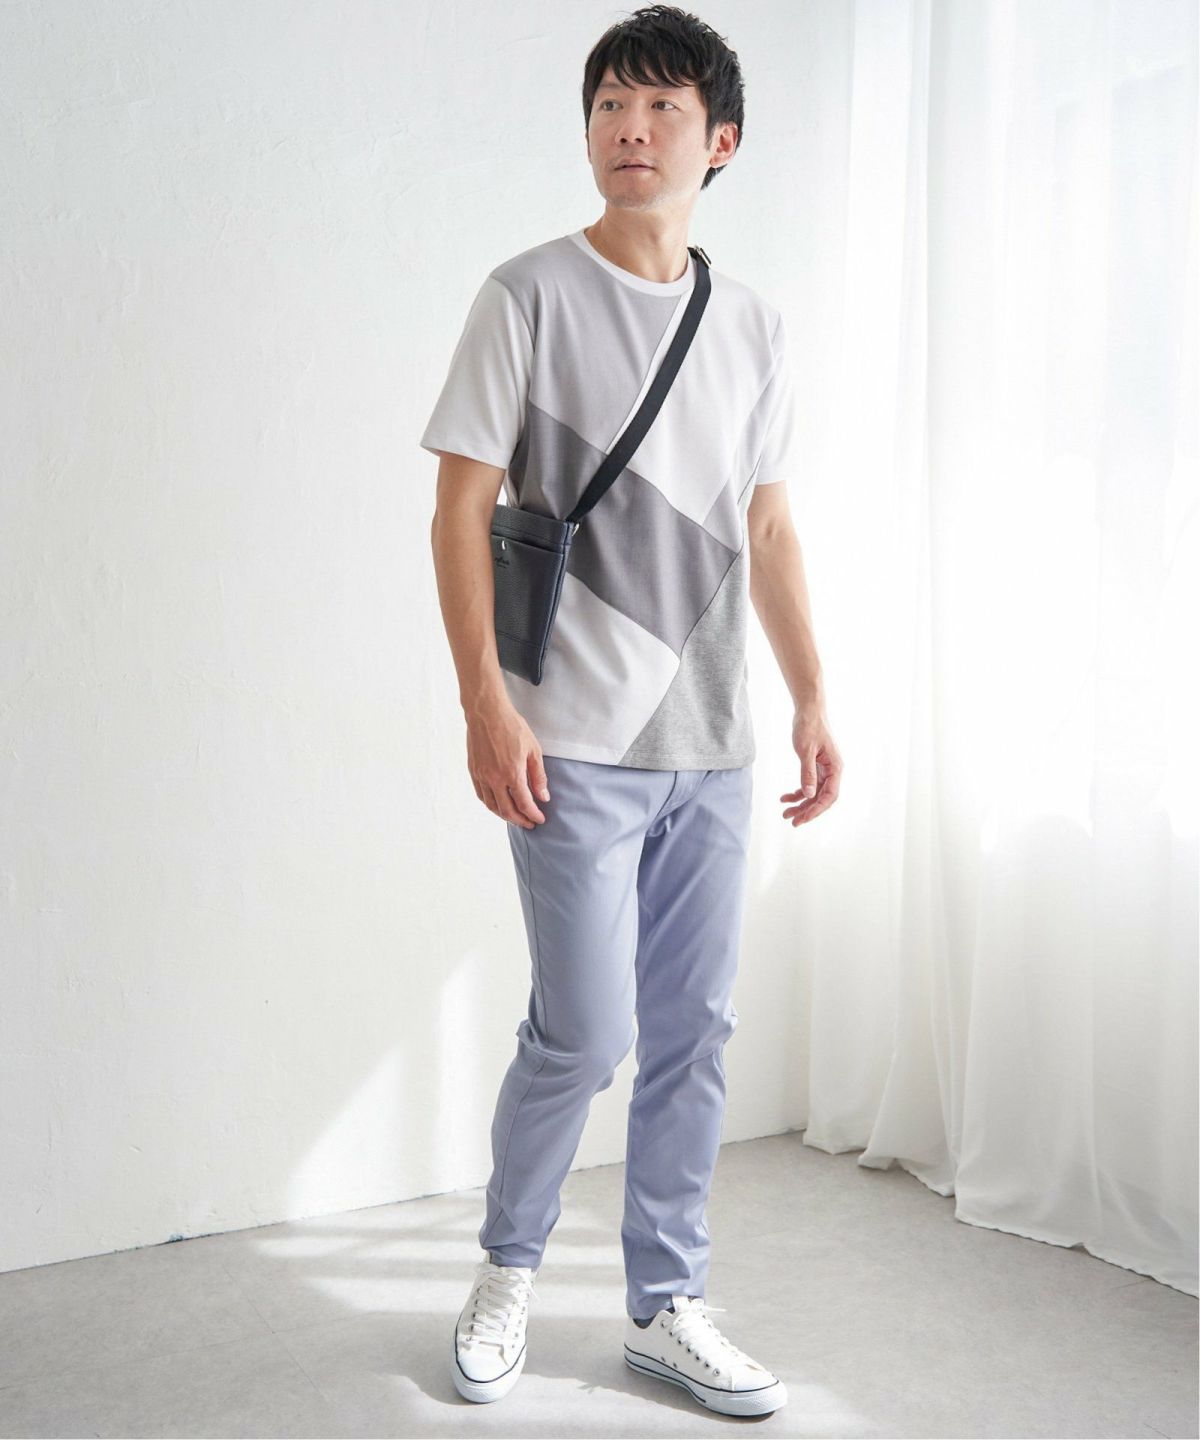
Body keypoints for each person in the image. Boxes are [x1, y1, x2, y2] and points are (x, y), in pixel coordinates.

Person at [423, 2, 840, 1418]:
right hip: (572, 738)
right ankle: (508, 1270)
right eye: (610, 104)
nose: (630, 129)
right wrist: (486, 701)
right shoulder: (527, 294)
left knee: (695, 1034)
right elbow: (460, 508)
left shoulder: (755, 326)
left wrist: (813, 698)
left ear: (721, 142)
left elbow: (768, 529)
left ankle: (667, 1304)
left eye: (662, 107)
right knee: (583, 1034)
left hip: (713, 745)